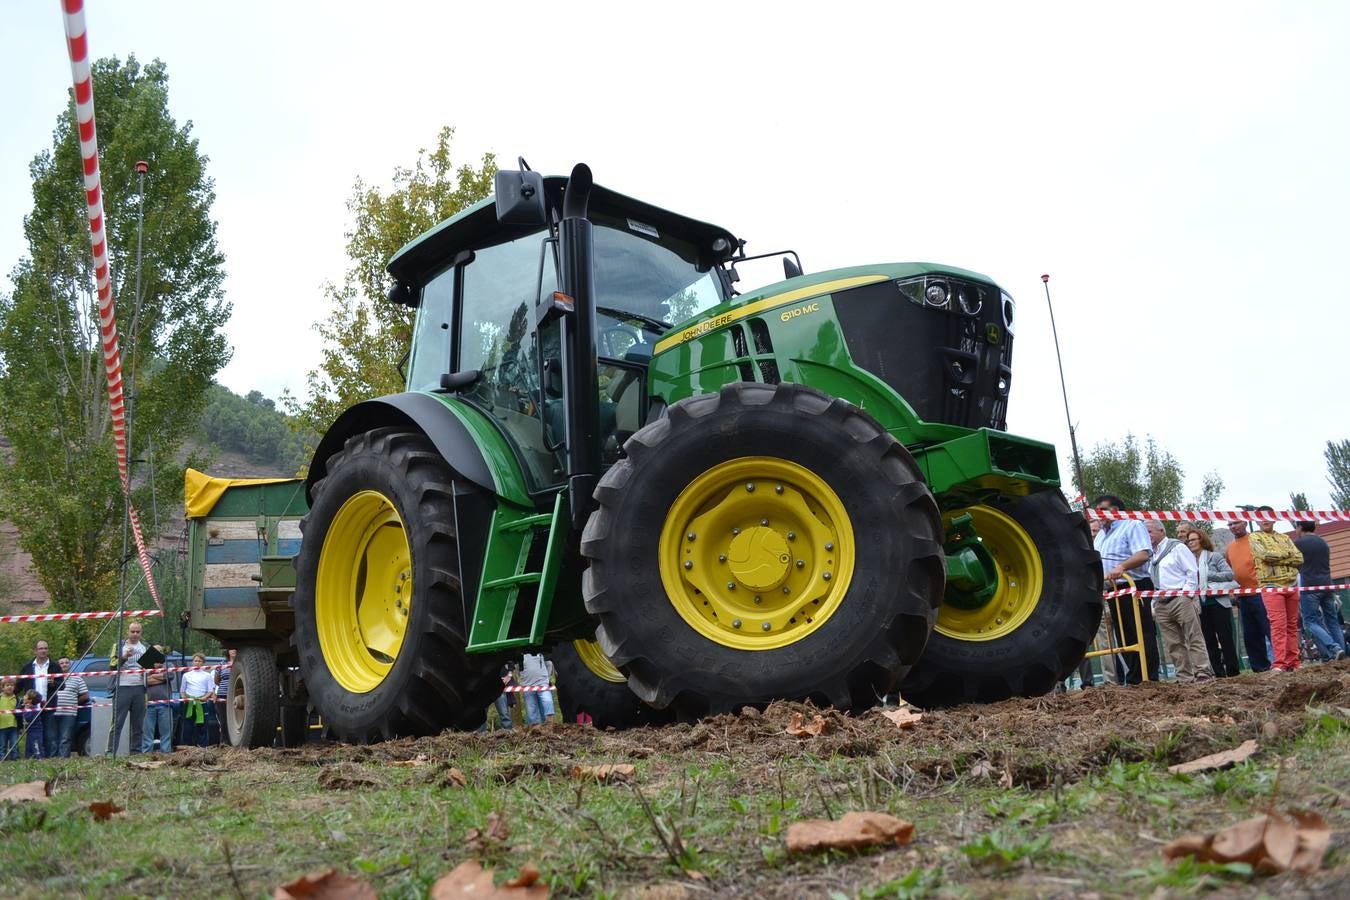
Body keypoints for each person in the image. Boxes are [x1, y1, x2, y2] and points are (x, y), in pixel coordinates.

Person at [1092, 495, 1160, 683]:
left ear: (1116, 510)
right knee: (1124, 636)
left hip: (1134, 586)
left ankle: (1149, 678)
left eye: (1102, 509)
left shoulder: (1132, 525)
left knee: (1140, 632)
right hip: (1113, 589)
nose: (1098, 513)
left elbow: (1143, 554)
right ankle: (1135, 677)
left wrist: (1122, 567)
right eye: (1096, 509)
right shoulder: (1100, 536)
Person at [1146, 521, 1213, 682]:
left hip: (1180, 599)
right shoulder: (1150, 554)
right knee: (1173, 643)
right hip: (1161, 603)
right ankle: (1184, 676)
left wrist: (1186, 595)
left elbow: (1191, 571)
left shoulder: (1177, 547)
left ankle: (1203, 672)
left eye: (1149, 532)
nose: (1147, 536)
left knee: (1193, 636)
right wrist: (1153, 603)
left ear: (1161, 530)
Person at [1249, 507, 1304, 672]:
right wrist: (1287, 556)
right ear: (1257, 520)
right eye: (1261, 517)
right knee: (1278, 625)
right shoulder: (1254, 537)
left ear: (1274, 519)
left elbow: (1299, 557)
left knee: (1292, 625)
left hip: (1291, 584)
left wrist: (1279, 558)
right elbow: (1265, 556)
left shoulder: (1285, 537)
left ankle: (1294, 661)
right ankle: (1279, 663)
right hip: (1271, 586)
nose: (1265, 520)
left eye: (1268, 517)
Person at [1187, 529, 1242, 677]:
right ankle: (1218, 673)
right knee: (1208, 640)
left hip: (1219, 603)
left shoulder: (1214, 556)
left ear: (1202, 540)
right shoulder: (1188, 560)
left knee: (1225, 638)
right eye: (1189, 541)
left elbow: (1229, 574)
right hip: (1200, 605)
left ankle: (1233, 672)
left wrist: (1206, 575)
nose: (1190, 543)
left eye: (1193, 539)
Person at [1293, 521, 1346, 661]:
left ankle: (1334, 648)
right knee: (1333, 621)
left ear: (1300, 527)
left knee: (1310, 621)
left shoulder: (1298, 544)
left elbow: (1295, 564)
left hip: (1310, 587)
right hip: (1327, 585)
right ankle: (1342, 653)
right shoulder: (1323, 542)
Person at [1225, 520, 1272, 672]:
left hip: (1261, 593)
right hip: (1242, 597)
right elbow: (1230, 572)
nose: (1233, 527)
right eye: (1230, 524)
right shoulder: (1230, 548)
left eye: (1236, 523)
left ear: (1245, 523)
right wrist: (1234, 592)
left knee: (1270, 629)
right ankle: (1260, 668)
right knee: (1251, 635)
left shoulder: (1256, 541)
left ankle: (1283, 663)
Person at [108, 621, 149, 755]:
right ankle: (110, 752)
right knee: (117, 723)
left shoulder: (145, 647)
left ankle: (136, 752)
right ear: (127, 631)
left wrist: (151, 666)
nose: (135, 634)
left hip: (139, 687)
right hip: (122, 687)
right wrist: (124, 657)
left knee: (138, 724)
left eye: (138, 632)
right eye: (133, 631)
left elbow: (151, 666)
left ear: (141, 632)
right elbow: (112, 665)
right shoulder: (119, 646)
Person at [17, 638, 60, 758]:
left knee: (49, 734)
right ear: (35, 651)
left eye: (46, 648)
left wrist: (53, 683)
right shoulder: (27, 667)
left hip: (49, 706)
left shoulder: (54, 666)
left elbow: (62, 685)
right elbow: (18, 685)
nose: (43, 651)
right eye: (41, 648)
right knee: (32, 734)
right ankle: (32, 757)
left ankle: (48, 759)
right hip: (32, 708)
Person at [53, 657, 89, 757]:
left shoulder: (77, 678)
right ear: (58, 665)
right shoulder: (53, 678)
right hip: (53, 712)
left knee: (66, 737)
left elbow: (85, 695)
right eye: (61, 663)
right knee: (52, 737)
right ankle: (52, 759)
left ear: (70, 665)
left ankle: (63, 759)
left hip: (69, 713)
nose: (64, 665)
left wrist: (73, 703)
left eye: (66, 663)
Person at [181, 653, 216, 747]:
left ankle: (202, 748)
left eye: (200, 661)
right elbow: (182, 690)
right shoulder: (186, 675)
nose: (197, 663)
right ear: (192, 662)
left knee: (202, 727)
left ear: (203, 663)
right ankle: (186, 748)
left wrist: (206, 697)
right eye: (196, 661)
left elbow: (210, 690)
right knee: (188, 728)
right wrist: (184, 697)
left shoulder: (207, 675)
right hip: (189, 704)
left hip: (202, 703)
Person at [142, 660, 174, 754]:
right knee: (147, 731)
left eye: (159, 651)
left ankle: (166, 752)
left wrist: (152, 675)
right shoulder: (146, 664)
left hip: (165, 704)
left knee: (166, 731)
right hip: (148, 704)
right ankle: (146, 752)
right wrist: (162, 677)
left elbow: (170, 676)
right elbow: (145, 681)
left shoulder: (168, 663)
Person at [518, 652, 555, 725]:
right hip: (527, 685)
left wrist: (546, 678)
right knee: (531, 712)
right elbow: (517, 667)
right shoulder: (520, 654)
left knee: (547, 704)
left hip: (542, 683)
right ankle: (534, 731)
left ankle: (550, 727)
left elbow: (549, 663)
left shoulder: (541, 650)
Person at [214, 648, 236, 745]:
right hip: (222, 695)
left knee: (236, 721)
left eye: (235, 648)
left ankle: (236, 743)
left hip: (238, 696)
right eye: (231, 648)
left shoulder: (243, 663)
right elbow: (216, 680)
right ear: (228, 651)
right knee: (223, 721)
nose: (233, 650)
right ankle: (224, 743)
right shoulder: (222, 663)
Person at [20, 690, 44, 759]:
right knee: (29, 746)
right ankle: (28, 758)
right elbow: (18, 713)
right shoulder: (25, 706)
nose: (23, 697)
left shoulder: (34, 709)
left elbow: (28, 718)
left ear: (30, 700)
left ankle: (39, 758)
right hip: (29, 731)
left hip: (35, 731)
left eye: (25, 695)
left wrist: (26, 710)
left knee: (36, 745)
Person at [0, 678, 18, 761]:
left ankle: (14, 759)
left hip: (13, 725)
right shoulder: (0, 698)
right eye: (7, 685)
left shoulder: (16, 699)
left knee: (14, 744)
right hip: (1, 726)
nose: (10, 687)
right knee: (2, 745)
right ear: (2, 687)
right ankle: (2, 759)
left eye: (12, 685)